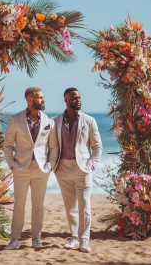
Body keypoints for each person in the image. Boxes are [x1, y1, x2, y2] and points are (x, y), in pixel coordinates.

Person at [3, 86, 58, 250]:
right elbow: (7, 145)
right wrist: (12, 164)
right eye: (40, 97)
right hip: (21, 168)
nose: (43, 100)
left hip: (41, 169)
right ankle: (15, 239)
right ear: (29, 99)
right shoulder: (15, 119)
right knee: (19, 204)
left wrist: (50, 165)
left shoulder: (49, 121)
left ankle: (36, 239)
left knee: (38, 205)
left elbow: (53, 147)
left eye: (42, 97)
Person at [53, 87, 102, 253]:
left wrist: (91, 164)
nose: (78, 100)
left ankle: (84, 240)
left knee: (84, 206)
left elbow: (97, 147)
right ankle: (74, 238)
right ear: (66, 100)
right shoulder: (56, 121)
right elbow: (51, 146)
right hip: (62, 168)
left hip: (82, 168)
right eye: (74, 98)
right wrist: (51, 165)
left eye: (79, 97)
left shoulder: (89, 121)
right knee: (70, 206)